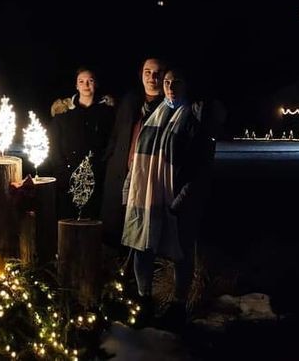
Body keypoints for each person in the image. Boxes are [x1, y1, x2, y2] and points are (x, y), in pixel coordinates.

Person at [122, 66, 219, 327]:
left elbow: (200, 164)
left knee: (180, 252)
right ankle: (145, 301)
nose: (170, 87)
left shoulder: (193, 118)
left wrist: (182, 197)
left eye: (176, 82)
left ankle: (178, 306)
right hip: (147, 195)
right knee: (142, 246)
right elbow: (138, 156)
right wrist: (129, 186)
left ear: (185, 85)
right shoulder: (155, 113)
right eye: (166, 82)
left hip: (178, 200)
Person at [101, 58, 166, 250]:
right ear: (141, 74)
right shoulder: (131, 101)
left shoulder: (167, 107)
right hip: (120, 173)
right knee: (115, 228)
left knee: (141, 234)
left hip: (148, 179)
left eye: (157, 73)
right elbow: (116, 134)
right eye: (147, 72)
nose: (152, 77)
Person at [48, 67, 115, 220]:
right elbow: (54, 144)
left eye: (90, 81)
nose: (86, 85)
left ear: (95, 84)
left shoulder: (106, 113)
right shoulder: (63, 113)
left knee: (91, 219)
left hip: (95, 176)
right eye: (81, 81)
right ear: (76, 85)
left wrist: (102, 164)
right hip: (68, 176)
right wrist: (62, 171)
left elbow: (112, 141)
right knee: (68, 219)